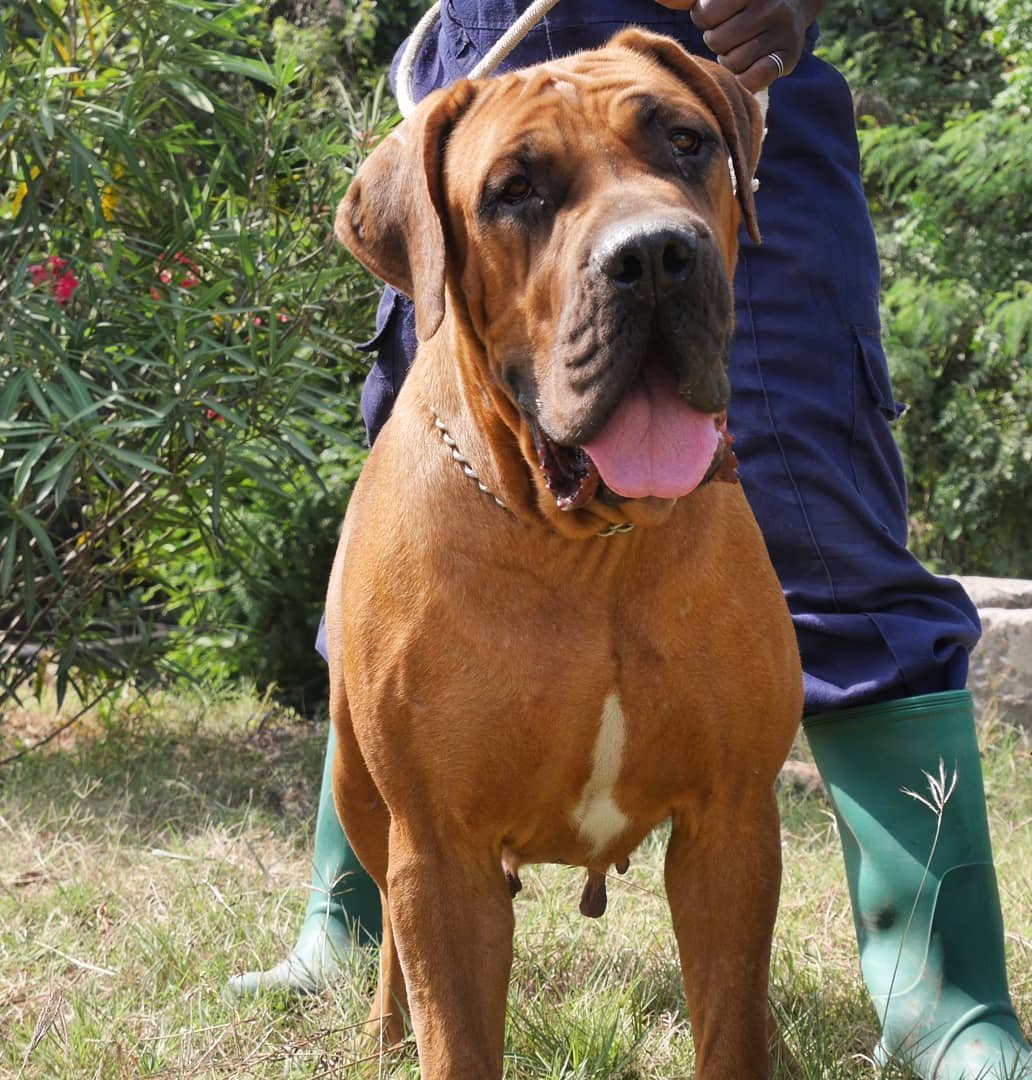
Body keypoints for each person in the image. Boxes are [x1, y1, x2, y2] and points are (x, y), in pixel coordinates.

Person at [228, 1, 1032, 1074]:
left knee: (835, 525)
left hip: (728, 40)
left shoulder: (718, 142)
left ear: (731, 167)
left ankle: (949, 998)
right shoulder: (454, 146)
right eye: (522, 194)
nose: (640, 228)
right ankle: (356, 918)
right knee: (391, 589)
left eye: (684, 152)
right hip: (493, 34)